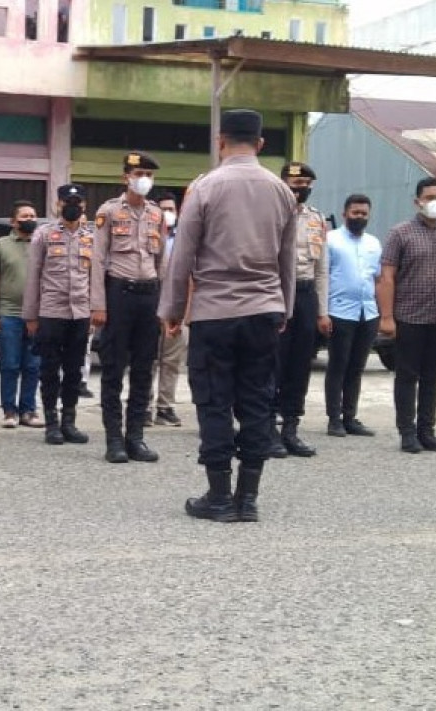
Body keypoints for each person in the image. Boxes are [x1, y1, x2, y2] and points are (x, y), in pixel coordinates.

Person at [160, 108, 296, 523]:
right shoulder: (281, 191)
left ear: (221, 141)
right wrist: (284, 307)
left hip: (215, 311)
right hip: (263, 310)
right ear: (260, 144)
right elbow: (287, 259)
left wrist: (172, 309)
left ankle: (218, 497)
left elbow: (182, 255)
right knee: (256, 400)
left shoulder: (204, 188)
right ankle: (248, 498)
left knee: (214, 400)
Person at [378, 177, 436, 454]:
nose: (435, 203)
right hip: (409, 316)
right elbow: (387, 277)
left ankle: (427, 431)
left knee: (434, 376)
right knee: (407, 375)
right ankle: (407, 432)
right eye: (430, 197)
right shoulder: (400, 233)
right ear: (417, 201)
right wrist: (387, 317)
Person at [92, 151, 166, 464]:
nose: (144, 179)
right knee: (113, 368)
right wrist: (98, 304)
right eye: (139, 173)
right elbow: (96, 259)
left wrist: (165, 306)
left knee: (144, 368)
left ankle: (136, 437)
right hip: (118, 294)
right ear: (126, 177)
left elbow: (163, 262)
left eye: (149, 174)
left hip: (148, 295)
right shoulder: (108, 211)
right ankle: (114, 439)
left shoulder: (157, 214)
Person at [24, 184, 94, 446]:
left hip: (81, 312)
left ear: (84, 205)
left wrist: (97, 310)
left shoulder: (92, 237)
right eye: (67, 201)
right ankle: (51, 423)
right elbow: (33, 276)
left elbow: (96, 278)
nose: (72, 205)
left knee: (74, 370)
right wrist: (31, 315)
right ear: (58, 204)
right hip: (51, 312)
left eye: (77, 201)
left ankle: (69, 421)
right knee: (49, 368)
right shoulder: (44, 234)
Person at [271, 162, 330, 457]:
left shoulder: (317, 219)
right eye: (293, 183)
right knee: (273, 363)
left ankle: (291, 429)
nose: (299, 188)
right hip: (277, 293)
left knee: (300, 364)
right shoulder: (269, 214)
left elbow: (322, 270)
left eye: (304, 183)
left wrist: (322, 311)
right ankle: (267, 429)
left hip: (306, 295)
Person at [324, 194, 380, 438]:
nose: (360, 217)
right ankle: (334, 419)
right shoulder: (331, 240)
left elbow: (377, 279)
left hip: (367, 312)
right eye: (355, 213)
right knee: (338, 365)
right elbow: (322, 277)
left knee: (357, 367)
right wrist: (322, 313)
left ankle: (350, 416)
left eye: (364, 214)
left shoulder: (374, 243)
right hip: (339, 312)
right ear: (345, 213)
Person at [0, 200, 43, 429]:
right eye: (24, 216)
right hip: (8, 314)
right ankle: (9, 411)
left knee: (33, 365)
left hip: (36, 316)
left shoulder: (42, 243)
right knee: (10, 364)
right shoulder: (0, 245)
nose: (29, 220)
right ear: (13, 221)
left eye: (33, 215)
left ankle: (28, 410)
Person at [148, 191, 186, 429]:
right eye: (162, 209)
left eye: (171, 209)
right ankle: (143, 406)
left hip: (177, 304)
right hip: (151, 301)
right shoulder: (147, 236)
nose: (167, 214)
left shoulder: (185, 237)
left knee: (172, 359)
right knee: (148, 358)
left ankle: (165, 407)